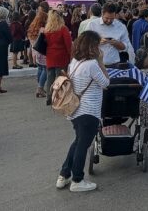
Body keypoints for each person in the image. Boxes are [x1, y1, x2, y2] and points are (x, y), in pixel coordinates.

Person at [56, 31, 109, 193]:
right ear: (92, 47)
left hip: (75, 110)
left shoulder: (74, 62)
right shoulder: (92, 65)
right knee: (83, 145)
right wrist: (101, 61)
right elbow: (106, 83)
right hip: (89, 110)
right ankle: (77, 179)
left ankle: (64, 175)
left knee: (78, 142)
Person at [41, 10, 73, 106]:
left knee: (50, 77)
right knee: (61, 79)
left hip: (50, 55)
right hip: (61, 56)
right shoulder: (63, 29)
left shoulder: (47, 29)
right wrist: (71, 56)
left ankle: (49, 97)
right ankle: (59, 98)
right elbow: (68, 44)